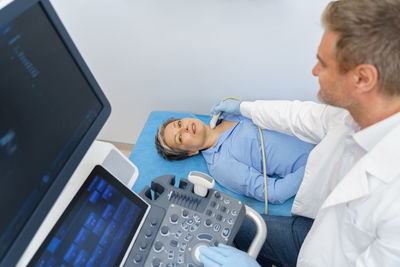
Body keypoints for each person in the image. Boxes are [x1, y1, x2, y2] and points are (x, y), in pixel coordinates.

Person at [199, 0, 400, 266]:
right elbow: (303, 116)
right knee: (231, 224)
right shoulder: (355, 112)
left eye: (323, 63)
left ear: (363, 78)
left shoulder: (393, 206)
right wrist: (244, 107)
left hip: (323, 252)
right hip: (314, 226)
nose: (314, 71)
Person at [155, 114, 315, 204]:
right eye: (180, 138)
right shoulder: (220, 165)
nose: (185, 128)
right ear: (191, 153)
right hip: (321, 163)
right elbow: (273, 193)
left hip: (319, 129)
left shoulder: (227, 113)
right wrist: (314, 165)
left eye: (180, 123)